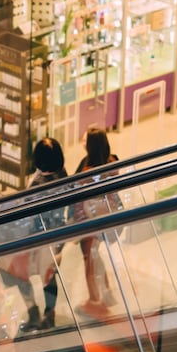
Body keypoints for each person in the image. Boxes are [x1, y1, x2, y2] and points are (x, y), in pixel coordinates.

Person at [0, 136, 69, 331]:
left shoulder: (40, 184)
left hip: (35, 238)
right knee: (48, 278)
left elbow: (27, 212)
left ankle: (33, 311)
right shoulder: (63, 175)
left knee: (17, 273)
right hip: (56, 236)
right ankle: (48, 315)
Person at [72, 127, 120, 319]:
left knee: (89, 261)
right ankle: (106, 292)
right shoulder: (112, 162)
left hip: (89, 221)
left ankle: (94, 301)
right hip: (107, 218)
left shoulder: (87, 173)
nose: (82, 142)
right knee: (96, 256)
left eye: (85, 140)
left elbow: (78, 196)